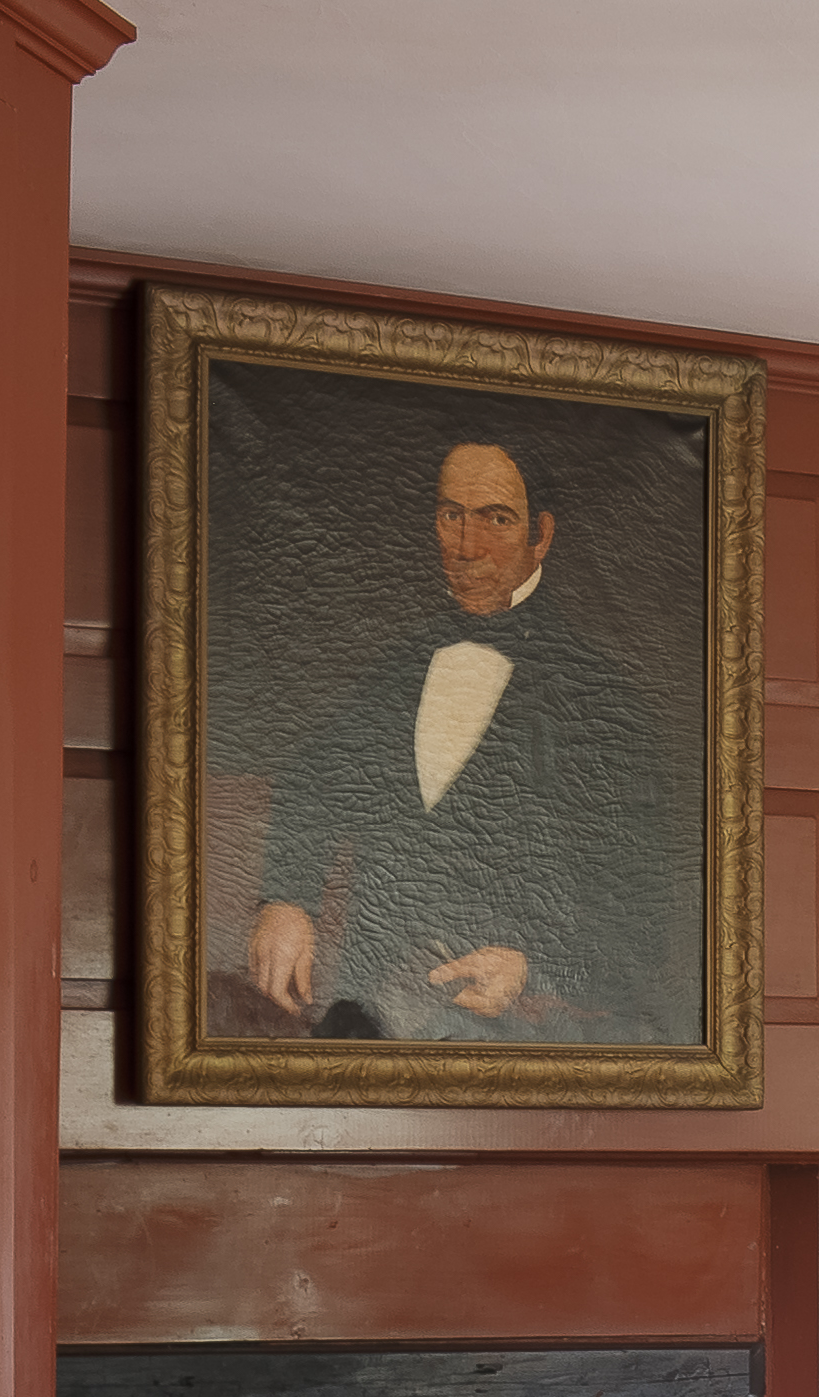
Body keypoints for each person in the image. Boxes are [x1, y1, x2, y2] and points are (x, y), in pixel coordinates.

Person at [236, 425, 699, 1038]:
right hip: (378, 1021)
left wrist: (533, 971)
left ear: (542, 537)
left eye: (497, 519)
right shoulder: (395, 673)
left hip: (536, 1036)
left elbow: (642, 916)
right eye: (451, 515)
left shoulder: (609, 704)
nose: (468, 545)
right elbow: (311, 782)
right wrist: (284, 902)